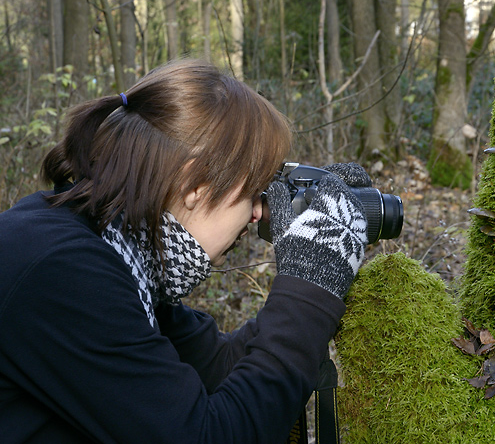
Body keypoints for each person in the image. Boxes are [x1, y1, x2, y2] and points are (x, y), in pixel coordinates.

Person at [0, 59, 371, 443]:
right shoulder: (62, 270)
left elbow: (219, 368)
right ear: (196, 185)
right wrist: (309, 293)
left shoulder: (121, 250)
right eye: (254, 191)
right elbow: (210, 435)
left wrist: (316, 270)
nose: (259, 212)